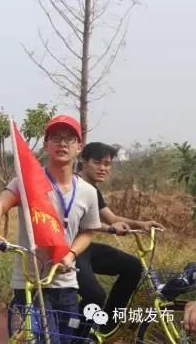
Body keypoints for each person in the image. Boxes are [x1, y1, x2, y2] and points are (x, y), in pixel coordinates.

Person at [0, 115, 101, 340]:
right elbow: (0, 204)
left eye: (70, 139)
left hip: (65, 285)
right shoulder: (27, 182)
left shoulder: (88, 192)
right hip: (28, 283)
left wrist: (71, 254)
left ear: (79, 147)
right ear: (46, 145)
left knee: (66, 339)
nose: (62, 143)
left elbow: (88, 231)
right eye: (56, 138)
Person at [77, 142, 163, 331]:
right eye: (97, 162)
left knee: (134, 267)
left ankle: (107, 326)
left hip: (86, 248)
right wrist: (110, 229)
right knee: (95, 296)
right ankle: (77, 333)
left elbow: (112, 218)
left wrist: (140, 224)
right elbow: (82, 222)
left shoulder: (93, 190)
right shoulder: (74, 185)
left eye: (107, 164)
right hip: (69, 250)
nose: (103, 168)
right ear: (83, 161)